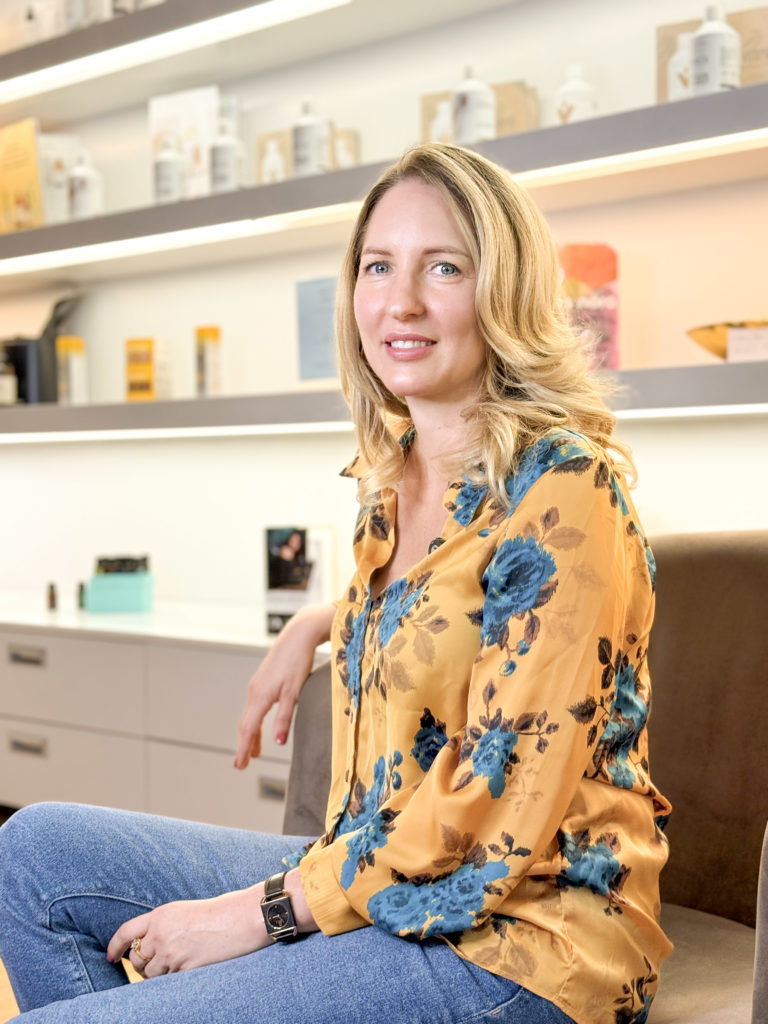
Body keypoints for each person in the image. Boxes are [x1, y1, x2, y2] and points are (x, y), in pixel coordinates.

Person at [0, 143, 672, 1024]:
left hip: (525, 939)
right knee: (33, 854)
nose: (401, 301)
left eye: (444, 267)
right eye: (377, 266)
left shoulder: (567, 487)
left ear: (502, 289)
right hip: (385, 879)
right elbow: (459, 606)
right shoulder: (392, 481)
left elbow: (495, 802)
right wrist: (327, 619)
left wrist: (258, 914)